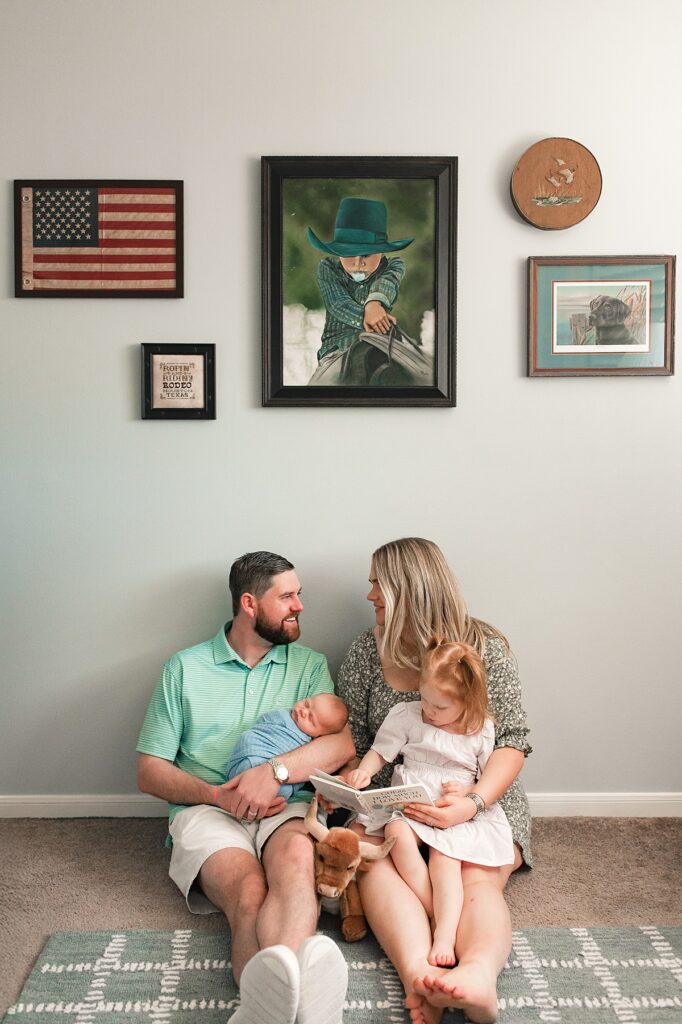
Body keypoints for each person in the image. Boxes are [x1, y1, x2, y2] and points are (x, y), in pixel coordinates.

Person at [137, 551, 355, 1024]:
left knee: (297, 866)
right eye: (288, 596)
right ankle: (280, 1006)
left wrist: (271, 773)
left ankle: (277, 1007)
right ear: (250, 604)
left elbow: (340, 746)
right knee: (249, 892)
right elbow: (149, 770)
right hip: (208, 810)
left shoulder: (310, 666)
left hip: (286, 803)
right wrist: (219, 795)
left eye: (300, 594)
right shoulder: (184, 668)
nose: (299, 606)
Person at [337, 538, 532, 1024]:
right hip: (395, 802)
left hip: (475, 797)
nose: (370, 596)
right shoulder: (367, 651)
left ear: (409, 589)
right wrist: (348, 784)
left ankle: (477, 977)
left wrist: (475, 803)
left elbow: (511, 740)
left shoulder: (481, 646)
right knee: (373, 864)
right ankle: (419, 977)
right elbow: (356, 743)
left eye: (377, 584)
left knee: (474, 878)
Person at [345, 639, 514, 970]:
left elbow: (483, 778)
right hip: (410, 802)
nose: (429, 711)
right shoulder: (407, 716)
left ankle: (445, 934)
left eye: (440, 707)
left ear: (467, 702)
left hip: (450, 811)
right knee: (395, 833)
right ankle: (433, 909)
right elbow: (382, 751)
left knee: (445, 858)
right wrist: (363, 772)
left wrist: (466, 792)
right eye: (425, 699)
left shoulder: (479, 730)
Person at [306, 196, 413, 370]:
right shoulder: (328, 268)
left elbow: (388, 281)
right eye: (349, 254)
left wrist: (374, 302)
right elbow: (338, 304)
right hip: (336, 350)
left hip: (383, 345)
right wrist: (369, 317)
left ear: (382, 253)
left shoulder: (394, 265)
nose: (357, 263)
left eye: (367, 254)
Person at [225, 693, 349, 800]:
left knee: (285, 790)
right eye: (306, 703)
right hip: (254, 751)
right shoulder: (280, 715)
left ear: (319, 736)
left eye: (311, 719)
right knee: (247, 742)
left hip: (278, 790)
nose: (303, 711)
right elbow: (263, 722)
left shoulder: (312, 746)